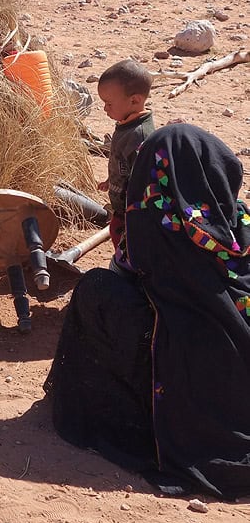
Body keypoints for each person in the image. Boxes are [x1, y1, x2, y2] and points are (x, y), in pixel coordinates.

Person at [44, 124, 250, 499]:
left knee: (96, 291)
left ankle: (121, 410)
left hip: (188, 377)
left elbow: (129, 268)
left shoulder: (157, 221)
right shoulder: (239, 221)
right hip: (237, 370)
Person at [96, 59, 155, 250]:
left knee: (128, 243)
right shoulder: (125, 125)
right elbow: (122, 162)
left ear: (135, 100)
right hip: (120, 207)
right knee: (116, 233)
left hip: (133, 211)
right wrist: (111, 179)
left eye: (109, 103)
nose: (105, 108)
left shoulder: (141, 136)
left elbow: (144, 179)